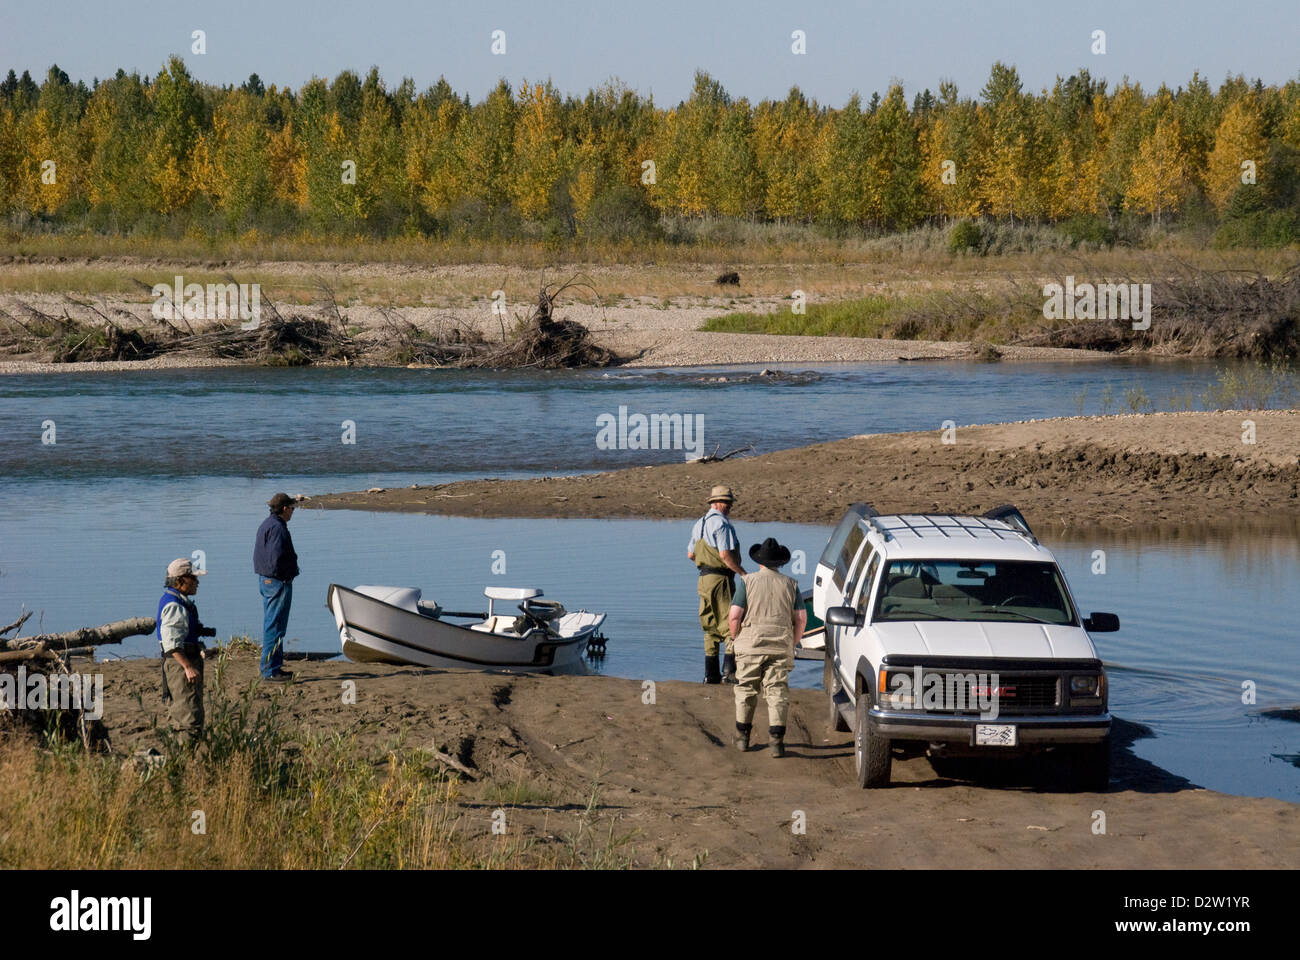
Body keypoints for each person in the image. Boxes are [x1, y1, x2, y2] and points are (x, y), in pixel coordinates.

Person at [728, 537, 805, 758]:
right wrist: (791, 642)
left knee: (746, 689)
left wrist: (736, 639)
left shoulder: (747, 581)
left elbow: (735, 616)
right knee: (777, 691)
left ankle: (743, 738)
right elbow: (801, 619)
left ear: (759, 561)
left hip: (750, 644)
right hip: (780, 645)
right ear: (780, 563)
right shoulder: (791, 584)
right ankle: (776, 742)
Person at [687, 485, 745, 684]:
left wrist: (706, 565)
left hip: (703, 579)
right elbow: (725, 555)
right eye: (728, 503)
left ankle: (710, 675)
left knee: (709, 625)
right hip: (721, 579)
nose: (730, 507)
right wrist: (743, 573)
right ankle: (729, 674)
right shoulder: (722, 524)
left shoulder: (698, 524)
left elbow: (690, 554)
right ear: (718, 503)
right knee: (731, 623)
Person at [157, 558, 216, 743]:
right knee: (188, 716)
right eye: (193, 578)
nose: (197, 582)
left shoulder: (177, 600)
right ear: (180, 581)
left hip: (181, 662)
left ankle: (184, 759)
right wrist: (187, 667)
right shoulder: (174, 605)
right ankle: (184, 760)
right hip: (179, 666)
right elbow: (171, 643)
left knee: (187, 712)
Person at [254, 492, 299, 682]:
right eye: (292, 508)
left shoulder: (267, 524)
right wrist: (285, 577)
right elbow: (275, 558)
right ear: (284, 508)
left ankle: (275, 667)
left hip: (267, 580)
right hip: (276, 582)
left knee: (274, 625)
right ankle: (270, 670)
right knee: (275, 626)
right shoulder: (278, 528)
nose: (293, 512)